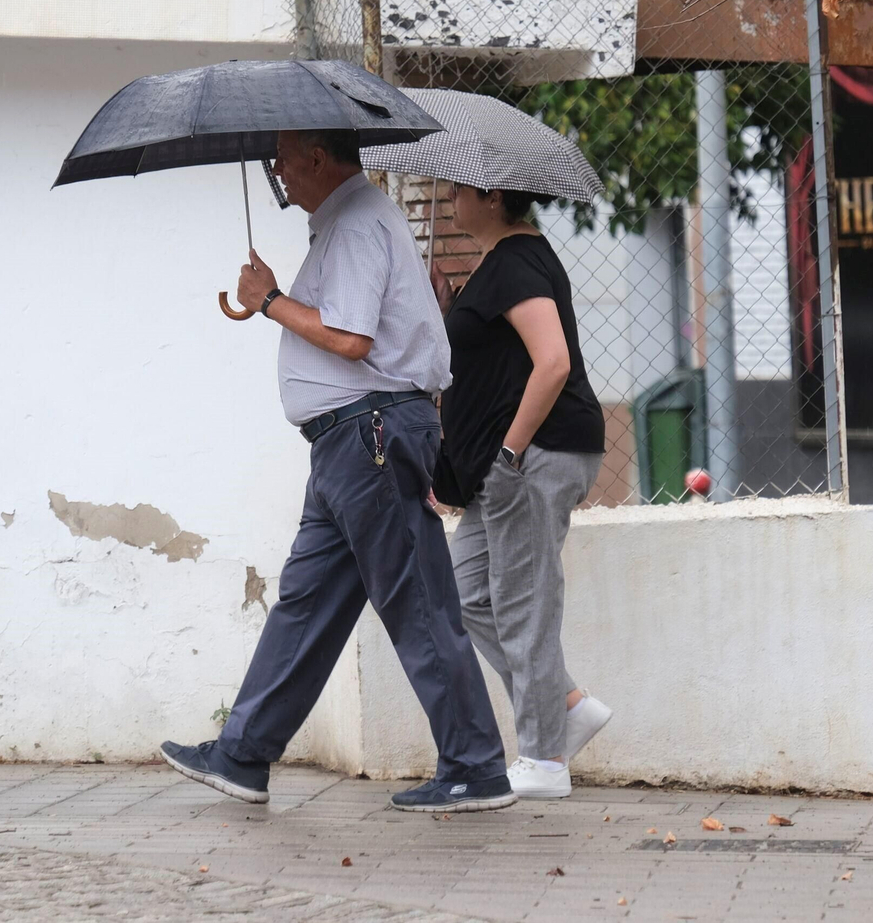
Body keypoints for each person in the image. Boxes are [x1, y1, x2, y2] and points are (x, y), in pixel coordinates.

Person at [161, 130, 516, 814]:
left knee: (416, 602)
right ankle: (242, 755)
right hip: (349, 443)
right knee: (307, 604)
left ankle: (475, 767)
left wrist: (270, 300)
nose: (276, 169)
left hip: (366, 437)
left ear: (318, 158)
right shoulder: (349, 221)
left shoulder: (354, 222)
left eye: (284, 155)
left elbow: (352, 339)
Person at [430, 184, 612, 801]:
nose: (449, 197)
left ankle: (544, 759)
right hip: (507, 463)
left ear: (490, 195)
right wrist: (448, 306)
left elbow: (553, 361)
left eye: (458, 189)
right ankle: (567, 706)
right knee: (464, 590)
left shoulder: (515, 261)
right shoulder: (501, 261)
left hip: (533, 454)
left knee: (523, 603)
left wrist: (510, 453)